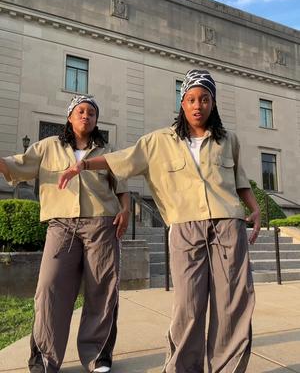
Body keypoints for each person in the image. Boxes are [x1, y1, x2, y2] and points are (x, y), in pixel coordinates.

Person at [59, 70, 261, 373]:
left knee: (232, 304)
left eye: (205, 99)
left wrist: (255, 209)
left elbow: (240, 181)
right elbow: (123, 159)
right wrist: (83, 164)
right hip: (185, 228)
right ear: (182, 104)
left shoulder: (228, 140)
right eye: (191, 99)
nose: (198, 105)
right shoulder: (159, 141)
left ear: (213, 103)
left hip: (228, 225)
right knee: (188, 307)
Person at [0, 95, 130, 373]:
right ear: (70, 116)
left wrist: (126, 210)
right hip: (61, 225)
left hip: (102, 224)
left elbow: (121, 188)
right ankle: (45, 359)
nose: (87, 116)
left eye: (92, 113)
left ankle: (98, 357)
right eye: (81, 111)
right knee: (49, 287)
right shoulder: (48, 147)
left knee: (102, 290)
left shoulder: (107, 150)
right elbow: (18, 165)